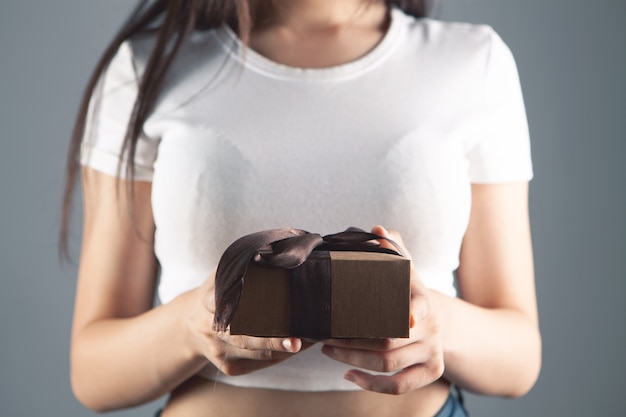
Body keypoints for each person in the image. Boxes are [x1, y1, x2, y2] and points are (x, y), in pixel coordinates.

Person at [61, 0, 541, 416]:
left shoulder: (473, 63)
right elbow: (93, 372)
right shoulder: (146, 67)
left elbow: (519, 359)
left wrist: (438, 325)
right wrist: (190, 325)